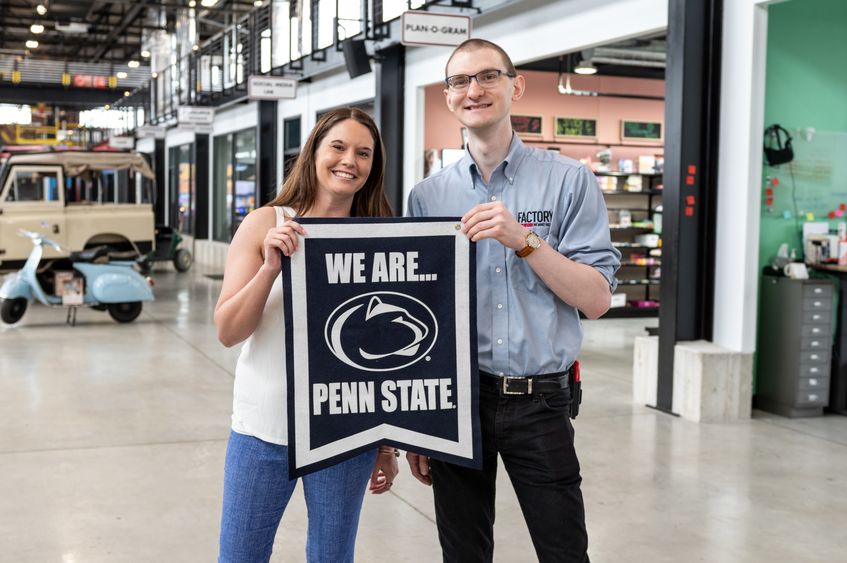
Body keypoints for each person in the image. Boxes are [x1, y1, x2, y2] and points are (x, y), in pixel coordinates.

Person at [405, 39, 621, 563]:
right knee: (463, 553)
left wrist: (525, 241)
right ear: (448, 96)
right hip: (457, 401)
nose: (473, 90)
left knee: (564, 550)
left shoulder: (568, 180)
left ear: (515, 86)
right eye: (459, 81)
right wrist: (416, 424)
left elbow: (596, 299)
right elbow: (420, 313)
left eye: (487, 76)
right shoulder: (427, 197)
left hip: (541, 401)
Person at [214, 107, 399, 563]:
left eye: (363, 153)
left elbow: (388, 354)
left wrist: (387, 440)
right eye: (337, 146)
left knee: (332, 556)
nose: (349, 161)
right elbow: (228, 330)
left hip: (346, 431)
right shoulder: (266, 223)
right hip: (264, 428)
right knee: (240, 555)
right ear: (314, 150)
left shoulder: (380, 235)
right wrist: (270, 268)